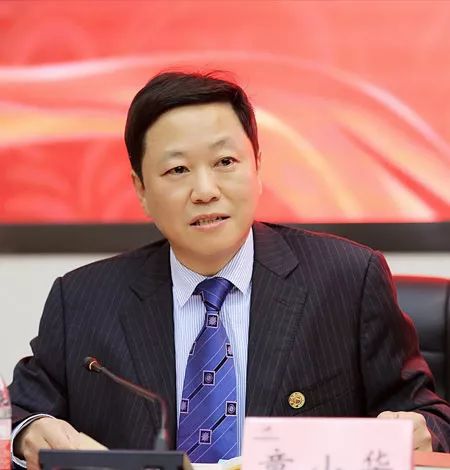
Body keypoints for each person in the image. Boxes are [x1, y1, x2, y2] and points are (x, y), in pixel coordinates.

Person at [9, 71, 450, 469]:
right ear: (141, 189)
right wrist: (30, 431)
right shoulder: (83, 300)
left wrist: (418, 429)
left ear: (257, 167)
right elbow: (25, 412)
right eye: (177, 169)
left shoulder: (347, 280)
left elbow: (430, 417)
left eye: (225, 162)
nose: (205, 191)